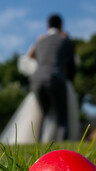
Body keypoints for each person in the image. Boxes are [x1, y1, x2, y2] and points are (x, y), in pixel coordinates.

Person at [28, 14, 76, 142]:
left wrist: (38, 42)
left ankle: (37, 144)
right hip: (56, 79)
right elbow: (71, 65)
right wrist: (70, 81)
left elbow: (30, 56)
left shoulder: (41, 41)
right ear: (61, 26)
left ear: (47, 26)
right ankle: (62, 147)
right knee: (61, 117)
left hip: (36, 80)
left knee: (43, 115)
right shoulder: (65, 41)